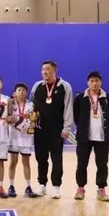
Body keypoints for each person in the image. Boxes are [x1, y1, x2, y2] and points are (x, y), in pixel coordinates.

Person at [30, 60, 74, 199]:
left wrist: (66, 127)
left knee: (56, 159)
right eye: (43, 69)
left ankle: (56, 186)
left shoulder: (65, 86)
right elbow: (31, 106)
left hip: (57, 130)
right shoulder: (37, 86)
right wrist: (31, 122)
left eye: (47, 69)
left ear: (54, 70)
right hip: (40, 129)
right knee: (41, 158)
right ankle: (42, 185)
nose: (44, 72)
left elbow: (68, 107)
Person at [73, 71, 109, 202]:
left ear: (101, 82)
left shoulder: (107, 97)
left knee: (102, 165)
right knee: (81, 164)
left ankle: (101, 190)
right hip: (84, 138)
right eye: (92, 81)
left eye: (97, 81)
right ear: (88, 83)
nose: (94, 83)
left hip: (102, 138)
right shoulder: (80, 98)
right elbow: (76, 116)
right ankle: (80, 188)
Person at [7, 83, 35, 197]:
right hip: (14, 136)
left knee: (26, 162)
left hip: (26, 136)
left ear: (26, 92)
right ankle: (11, 186)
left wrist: (32, 122)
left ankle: (28, 187)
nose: (21, 92)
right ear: (15, 92)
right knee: (13, 161)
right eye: (19, 90)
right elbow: (7, 118)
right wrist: (10, 119)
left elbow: (33, 119)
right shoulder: (11, 104)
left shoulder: (31, 105)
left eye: (23, 90)